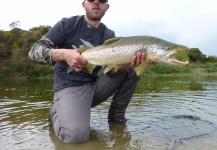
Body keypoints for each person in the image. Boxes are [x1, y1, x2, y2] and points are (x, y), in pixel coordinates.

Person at [28, 0, 146, 143]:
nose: (96, 2)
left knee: (132, 71)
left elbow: (114, 69)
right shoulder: (67, 25)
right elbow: (34, 51)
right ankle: (56, 111)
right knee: (75, 137)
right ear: (84, 4)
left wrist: (131, 63)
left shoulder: (109, 35)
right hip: (69, 88)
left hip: (95, 87)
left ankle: (116, 119)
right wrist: (64, 54)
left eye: (102, 0)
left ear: (106, 7)